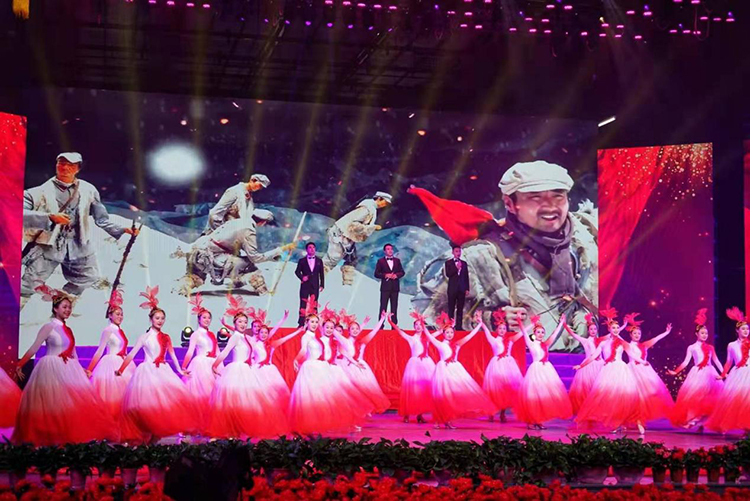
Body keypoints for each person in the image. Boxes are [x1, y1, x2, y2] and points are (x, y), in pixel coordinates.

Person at [409, 160, 597, 347]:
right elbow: (430, 313)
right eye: (535, 197)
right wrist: (490, 319)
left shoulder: (589, 238)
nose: (550, 206)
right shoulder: (479, 256)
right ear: (509, 203)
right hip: (517, 361)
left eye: (558, 196)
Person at [21, 152, 138, 306]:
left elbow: (101, 218)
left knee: (88, 276)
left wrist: (122, 229)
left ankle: (62, 305)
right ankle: (12, 314)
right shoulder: (37, 192)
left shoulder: (88, 190)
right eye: (61, 163)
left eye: (70, 165)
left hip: (78, 244)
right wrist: (49, 218)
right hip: (48, 245)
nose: (65, 168)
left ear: (78, 168)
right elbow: (18, 213)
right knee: (29, 284)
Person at [13, 289, 115, 445]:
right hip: (51, 369)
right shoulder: (49, 327)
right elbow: (35, 347)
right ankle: (48, 439)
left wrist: (81, 369)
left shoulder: (68, 329)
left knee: (71, 405)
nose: (67, 310)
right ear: (55, 308)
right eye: (64, 307)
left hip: (68, 369)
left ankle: (65, 440)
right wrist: (20, 364)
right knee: (51, 405)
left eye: (69, 307)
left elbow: (73, 353)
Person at [116, 286, 197, 443]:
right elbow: (132, 354)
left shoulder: (166, 337)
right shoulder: (145, 337)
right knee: (147, 406)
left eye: (162, 318)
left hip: (163, 371)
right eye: (157, 318)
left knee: (167, 404)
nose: (160, 321)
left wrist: (180, 370)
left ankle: (154, 440)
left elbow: (172, 355)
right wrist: (121, 369)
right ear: (151, 319)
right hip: (147, 372)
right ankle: (145, 439)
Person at [207, 307, 288, 439]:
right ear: (235, 323)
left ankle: (240, 430)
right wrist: (215, 364)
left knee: (248, 401)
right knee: (233, 401)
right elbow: (225, 351)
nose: (243, 324)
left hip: (246, 370)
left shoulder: (245, 337)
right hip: (236, 371)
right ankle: (231, 430)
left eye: (245, 322)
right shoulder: (235, 337)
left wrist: (282, 320)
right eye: (240, 322)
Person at [288, 315, 370, 434]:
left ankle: (334, 422)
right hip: (312, 368)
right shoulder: (307, 337)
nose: (314, 324)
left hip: (321, 367)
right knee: (312, 397)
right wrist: (296, 359)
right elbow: (304, 351)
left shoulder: (318, 337)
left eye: (316, 322)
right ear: (307, 323)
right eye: (312, 322)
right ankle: (309, 424)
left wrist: (355, 363)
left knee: (327, 397)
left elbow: (341, 351)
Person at [185, 209, 295, 294]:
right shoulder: (248, 231)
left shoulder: (238, 222)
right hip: (211, 258)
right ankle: (263, 291)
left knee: (197, 274)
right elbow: (255, 257)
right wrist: (279, 250)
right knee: (249, 266)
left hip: (197, 252)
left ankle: (185, 286)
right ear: (262, 222)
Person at [575, 309, 648, 434]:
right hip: (608, 370)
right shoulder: (603, 343)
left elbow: (632, 354)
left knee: (626, 396)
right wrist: (581, 365)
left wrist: (642, 361)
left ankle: (637, 421)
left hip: (621, 369)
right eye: (613, 328)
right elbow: (593, 356)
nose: (616, 329)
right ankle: (615, 423)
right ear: (609, 329)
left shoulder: (622, 343)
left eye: (617, 327)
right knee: (610, 397)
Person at [423, 311, 497, 429]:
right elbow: (429, 336)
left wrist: (479, 324)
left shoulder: (457, 344)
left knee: (452, 396)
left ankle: (448, 421)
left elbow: (470, 336)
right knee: (442, 397)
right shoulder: (440, 344)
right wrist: (422, 324)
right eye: (447, 332)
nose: (450, 334)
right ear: (443, 333)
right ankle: (437, 421)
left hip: (455, 370)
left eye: (451, 332)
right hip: (443, 371)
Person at [667, 308, 724, 431]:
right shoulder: (692, 347)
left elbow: (716, 361)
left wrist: (724, 373)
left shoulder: (710, 347)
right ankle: (694, 420)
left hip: (710, 373)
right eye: (702, 333)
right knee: (696, 398)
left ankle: (703, 423)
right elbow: (685, 362)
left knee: (710, 399)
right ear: (696, 334)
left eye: (706, 333)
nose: (705, 335)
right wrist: (675, 371)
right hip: (697, 373)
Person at [85, 289, 135, 424]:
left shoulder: (120, 331)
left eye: (122, 314)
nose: (120, 316)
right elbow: (100, 350)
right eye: (117, 314)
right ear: (110, 315)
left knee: (125, 397)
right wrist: (90, 369)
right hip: (110, 364)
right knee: (111, 396)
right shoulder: (107, 330)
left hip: (122, 363)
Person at [516, 314, 572, 430]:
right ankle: (531, 421)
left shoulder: (546, 344)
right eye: (538, 332)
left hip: (546, 370)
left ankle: (539, 420)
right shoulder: (531, 343)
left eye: (542, 332)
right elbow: (524, 332)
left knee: (542, 397)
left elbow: (555, 334)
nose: (541, 334)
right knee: (533, 397)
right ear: (534, 333)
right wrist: (519, 320)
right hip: (536, 371)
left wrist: (561, 323)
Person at [322, 192, 392, 285]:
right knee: (331, 261)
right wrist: (372, 227)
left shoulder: (370, 208)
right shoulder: (366, 208)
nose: (384, 205)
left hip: (347, 236)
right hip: (341, 234)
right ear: (379, 198)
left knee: (351, 259)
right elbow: (353, 224)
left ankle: (347, 283)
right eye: (384, 202)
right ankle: (315, 279)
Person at [335, 311, 391, 414]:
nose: (355, 330)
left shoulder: (363, 342)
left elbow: (374, 331)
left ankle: (363, 410)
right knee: (352, 392)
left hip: (362, 369)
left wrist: (382, 319)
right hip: (349, 368)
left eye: (357, 329)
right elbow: (334, 332)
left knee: (365, 391)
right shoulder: (345, 341)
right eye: (352, 329)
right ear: (348, 331)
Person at [624, 314, 674, 429]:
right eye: (635, 333)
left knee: (651, 393)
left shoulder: (644, 345)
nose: (637, 335)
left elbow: (656, 339)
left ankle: (641, 418)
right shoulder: (628, 345)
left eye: (639, 333)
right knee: (633, 396)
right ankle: (635, 420)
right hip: (633, 370)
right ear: (630, 335)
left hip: (645, 371)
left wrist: (666, 332)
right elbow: (631, 355)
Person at [706, 307, 750, 433]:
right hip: (739, 374)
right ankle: (745, 428)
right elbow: (728, 362)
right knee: (739, 400)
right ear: (737, 330)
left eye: (747, 329)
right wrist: (723, 374)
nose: (746, 331)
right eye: (743, 329)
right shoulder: (732, 345)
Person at [181, 294, 220, 433]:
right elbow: (190, 351)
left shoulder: (212, 334)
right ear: (198, 319)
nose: (207, 320)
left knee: (214, 396)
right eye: (204, 317)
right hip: (201, 365)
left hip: (213, 365)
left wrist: (220, 366)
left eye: (209, 318)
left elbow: (218, 351)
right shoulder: (196, 334)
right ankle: (197, 425)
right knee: (201, 395)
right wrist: (184, 366)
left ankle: (210, 425)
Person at [392, 312, 436, 424]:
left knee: (423, 390)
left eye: (420, 324)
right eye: (416, 325)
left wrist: (449, 325)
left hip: (426, 363)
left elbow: (440, 332)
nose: (418, 326)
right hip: (414, 365)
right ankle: (406, 414)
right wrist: (390, 322)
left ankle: (420, 415)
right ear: (414, 327)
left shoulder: (427, 338)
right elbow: (400, 331)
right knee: (412, 390)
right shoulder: (411, 338)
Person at [481, 309, 524, 423]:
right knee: (495, 390)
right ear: (496, 329)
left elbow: (522, 333)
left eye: (504, 328)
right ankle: (491, 412)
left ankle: (503, 413)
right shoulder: (494, 340)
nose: (502, 330)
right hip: (497, 366)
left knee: (506, 390)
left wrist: (527, 323)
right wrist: (481, 322)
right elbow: (486, 331)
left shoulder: (510, 341)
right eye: (500, 328)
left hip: (508, 366)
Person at [563, 313, 604, 413]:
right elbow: (573, 334)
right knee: (588, 388)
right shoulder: (585, 341)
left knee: (599, 388)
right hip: (589, 365)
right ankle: (588, 409)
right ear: (588, 331)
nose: (593, 331)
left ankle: (598, 408)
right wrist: (564, 324)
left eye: (595, 329)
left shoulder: (601, 341)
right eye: (591, 329)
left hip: (600, 365)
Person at [204, 174, 270, 234]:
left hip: (234, 236)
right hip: (215, 236)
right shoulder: (235, 191)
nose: (259, 188)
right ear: (252, 180)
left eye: (261, 187)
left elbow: (243, 220)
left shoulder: (250, 200)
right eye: (259, 185)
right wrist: (221, 234)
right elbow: (215, 214)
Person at [374, 244, 405, 325]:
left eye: (391, 249)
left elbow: (402, 272)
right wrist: (385, 275)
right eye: (388, 249)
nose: (390, 250)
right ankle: (380, 325)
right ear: (384, 251)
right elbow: (376, 274)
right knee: (383, 307)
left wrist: (396, 275)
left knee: (394, 307)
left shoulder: (397, 261)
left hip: (395, 288)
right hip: (385, 288)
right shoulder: (380, 261)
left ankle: (394, 326)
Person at [295, 242, 325, 326]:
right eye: (310, 247)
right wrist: (302, 277)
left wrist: (322, 285)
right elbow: (297, 272)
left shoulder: (319, 261)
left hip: (315, 285)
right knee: (303, 303)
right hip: (305, 285)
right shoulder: (302, 261)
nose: (312, 249)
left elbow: (321, 274)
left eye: (313, 247)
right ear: (307, 249)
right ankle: (301, 323)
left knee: (314, 303)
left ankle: (314, 322)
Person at [445, 245, 470, 330]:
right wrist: (456, 268)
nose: (458, 253)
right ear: (453, 252)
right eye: (456, 251)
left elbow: (466, 276)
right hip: (452, 289)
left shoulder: (464, 263)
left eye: (459, 251)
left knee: (460, 309)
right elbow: (448, 274)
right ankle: (450, 326)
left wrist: (467, 288)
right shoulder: (448, 263)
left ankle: (459, 327)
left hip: (461, 289)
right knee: (451, 308)